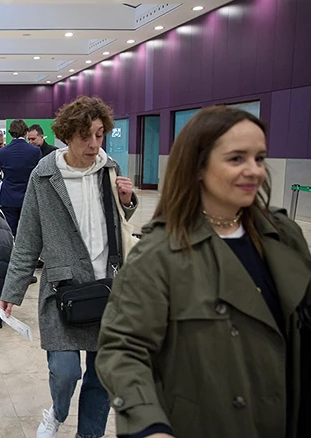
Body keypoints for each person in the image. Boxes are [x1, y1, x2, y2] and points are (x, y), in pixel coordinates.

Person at [95, 106, 311, 438]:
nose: (254, 171)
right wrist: (149, 425)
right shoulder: (159, 254)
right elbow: (124, 349)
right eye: (236, 159)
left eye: (259, 158)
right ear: (198, 166)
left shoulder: (283, 235)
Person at [0, 96, 137, 438]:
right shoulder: (44, 176)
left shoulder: (110, 169)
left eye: (99, 135)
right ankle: (57, 412)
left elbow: (116, 226)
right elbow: (28, 239)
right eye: (84, 136)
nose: (93, 144)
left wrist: (127, 202)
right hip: (63, 291)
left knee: (101, 376)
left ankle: (89, 434)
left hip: (107, 288)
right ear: (66, 136)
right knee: (65, 372)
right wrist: (11, 290)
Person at [0, 119, 41, 236]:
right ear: (26, 132)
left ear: (10, 133)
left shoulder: (2, 152)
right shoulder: (35, 151)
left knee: (9, 232)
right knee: (27, 233)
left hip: (8, 197)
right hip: (28, 195)